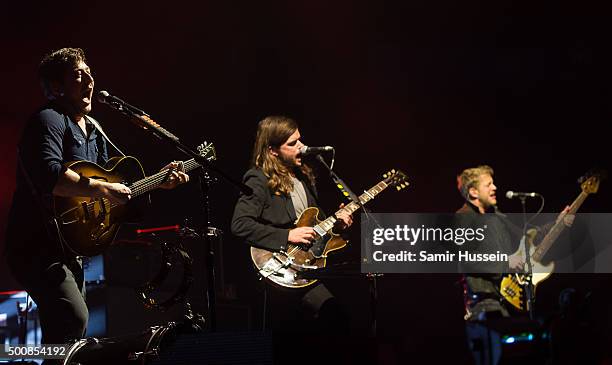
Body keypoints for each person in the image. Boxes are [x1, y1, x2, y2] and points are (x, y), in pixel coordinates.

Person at [3, 48, 188, 359]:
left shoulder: (95, 130)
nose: (89, 80)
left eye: (89, 73)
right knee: (72, 317)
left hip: (69, 247)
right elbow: (52, 177)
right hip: (34, 246)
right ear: (57, 87)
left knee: (69, 330)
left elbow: (115, 189)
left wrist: (160, 181)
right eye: (78, 75)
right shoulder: (48, 119)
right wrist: (104, 189)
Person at [231, 115, 353, 334]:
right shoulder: (258, 178)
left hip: (305, 268)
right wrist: (287, 236)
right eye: (293, 143)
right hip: (278, 269)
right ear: (272, 151)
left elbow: (316, 226)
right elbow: (240, 224)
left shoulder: (304, 177)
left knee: (336, 319)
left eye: (300, 140)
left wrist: (338, 225)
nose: (302, 147)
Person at [455, 165, 573, 364]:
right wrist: (506, 261)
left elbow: (527, 237)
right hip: (486, 304)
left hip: (511, 299)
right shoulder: (463, 218)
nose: (495, 187)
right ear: (473, 192)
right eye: (489, 184)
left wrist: (557, 223)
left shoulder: (497, 217)